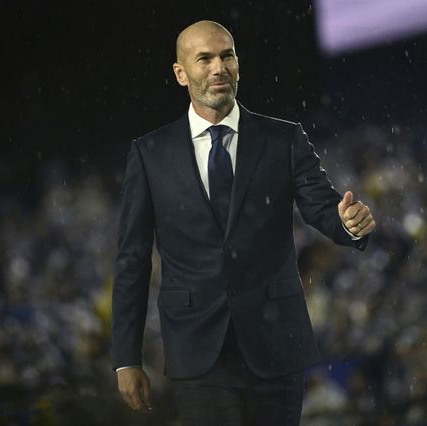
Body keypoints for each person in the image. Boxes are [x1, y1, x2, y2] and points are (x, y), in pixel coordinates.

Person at [112, 20, 376, 426]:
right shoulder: (150, 155)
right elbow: (132, 259)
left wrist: (348, 224)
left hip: (276, 344)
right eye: (205, 59)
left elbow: (324, 207)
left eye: (227, 56)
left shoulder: (283, 138)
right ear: (181, 73)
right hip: (197, 349)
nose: (219, 67)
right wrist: (126, 358)